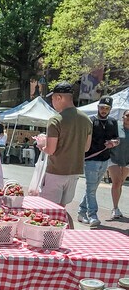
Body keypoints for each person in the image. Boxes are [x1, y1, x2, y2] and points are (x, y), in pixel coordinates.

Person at [40, 82, 92, 211]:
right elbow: (86, 148)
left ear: (59, 97)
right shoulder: (87, 120)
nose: (52, 102)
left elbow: (50, 150)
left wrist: (41, 145)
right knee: (61, 209)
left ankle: (50, 232)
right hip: (74, 172)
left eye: (52, 99)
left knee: (48, 211)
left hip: (56, 171)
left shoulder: (55, 120)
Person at [77, 96, 119, 227]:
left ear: (110, 109)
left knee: (92, 188)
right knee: (91, 188)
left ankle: (81, 212)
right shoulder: (91, 121)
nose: (104, 110)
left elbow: (117, 139)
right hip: (90, 159)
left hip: (105, 159)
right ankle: (92, 215)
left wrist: (114, 143)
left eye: (107, 108)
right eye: (102, 107)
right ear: (98, 107)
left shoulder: (113, 122)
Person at [109, 109, 129, 219]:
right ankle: (115, 208)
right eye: (127, 115)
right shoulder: (116, 127)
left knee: (120, 182)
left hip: (127, 160)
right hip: (113, 159)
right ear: (123, 117)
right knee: (116, 182)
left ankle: (116, 207)